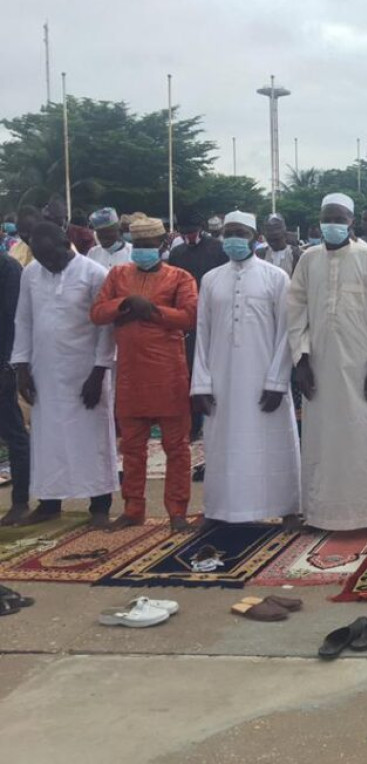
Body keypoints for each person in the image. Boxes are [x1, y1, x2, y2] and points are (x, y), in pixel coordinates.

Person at [288, 193, 367, 532]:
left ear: (351, 221)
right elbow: (296, 313)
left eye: (339, 218)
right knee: (322, 441)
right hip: (320, 368)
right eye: (327, 218)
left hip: (363, 368)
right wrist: (301, 359)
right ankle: (321, 514)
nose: (332, 224)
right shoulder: (307, 260)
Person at [191, 211, 301, 528]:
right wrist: (201, 385)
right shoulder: (211, 280)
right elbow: (203, 333)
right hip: (221, 379)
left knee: (274, 441)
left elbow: (286, 333)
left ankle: (287, 507)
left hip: (264, 378)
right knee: (223, 443)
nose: (233, 239)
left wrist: (277, 381)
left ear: (255, 237)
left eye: (240, 233)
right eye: (229, 233)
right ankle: (223, 510)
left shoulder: (276, 278)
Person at [91, 216, 197, 531]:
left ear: (163, 245)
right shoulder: (117, 275)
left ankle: (177, 512)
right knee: (132, 448)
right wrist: (125, 303)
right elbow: (97, 313)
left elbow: (190, 317)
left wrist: (150, 311)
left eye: (148, 246)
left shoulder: (180, 277)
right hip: (130, 376)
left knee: (176, 447)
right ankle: (132, 509)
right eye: (137, 246)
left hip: (169, 374)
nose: (142, 251)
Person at [10, 223, 117, 527]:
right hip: (44, 370)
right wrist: (21, 367)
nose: (48, 263)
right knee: (48, 438)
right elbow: (24, 320)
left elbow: (106, 329)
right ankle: (49, 503)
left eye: (51, 256)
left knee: (92, 436)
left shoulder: (94, 273)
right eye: (41, 257)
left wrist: (99, 372)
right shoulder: (31, 273)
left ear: (65, 243)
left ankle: (99, 505)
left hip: (86, 372)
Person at [169, 211, 228, 440]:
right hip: (189, 320)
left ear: (201, 228)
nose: (188, 236)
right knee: (191, 372)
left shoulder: (218, 249)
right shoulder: (177, 253)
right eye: (184, 233)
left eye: (192, 232)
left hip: (216, 316)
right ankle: (193, 425)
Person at [0, 247, 32, 526]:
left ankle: (20, 501)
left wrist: (11, 365)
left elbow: (13, 322)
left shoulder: (9, 269)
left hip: (3, 362)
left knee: (13, 433)